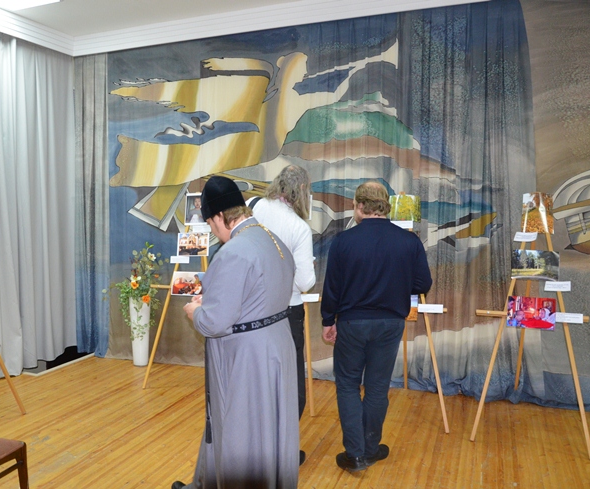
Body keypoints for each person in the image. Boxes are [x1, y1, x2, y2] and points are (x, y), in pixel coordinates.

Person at [173, 176, 299, 489]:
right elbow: (254, 298)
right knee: (270, 426)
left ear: (219, 216)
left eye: (210, 224)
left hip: (247, 356)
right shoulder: (273, 240)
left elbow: (214, 323)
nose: (214, 232)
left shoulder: (234, 251)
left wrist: (195, 311)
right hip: (276, 344)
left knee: (243, 428)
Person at [320, 181, 432, 473]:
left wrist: (328, 320)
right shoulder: (408, 241)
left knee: (347, 385)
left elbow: (332, 288)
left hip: (352, 322)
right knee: (378, 387)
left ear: (359, 206)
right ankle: (370, 449)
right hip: (390, 323)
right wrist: (397, 285)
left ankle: (355, 454)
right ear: (386, 206)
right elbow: (423, 283)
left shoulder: (343, 242)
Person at [249, 165, 316, 464]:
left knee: (257, 380)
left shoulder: (254, 208)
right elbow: (305, 282)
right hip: (286, 313)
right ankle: (280, 450)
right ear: (302, 191)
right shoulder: (298, 227)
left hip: (251, 309)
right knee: (290, 385)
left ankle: (254, 445)